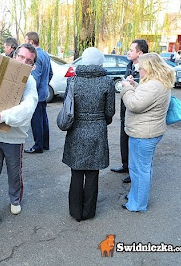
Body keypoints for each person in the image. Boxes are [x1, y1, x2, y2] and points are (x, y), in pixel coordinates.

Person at [0, 43, 38, 233]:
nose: (23, 62)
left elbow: (27, 109)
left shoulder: (29, 82)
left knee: (14, 173)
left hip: (14, 139)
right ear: (13, 55)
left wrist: (1, 117)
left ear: (33, 66)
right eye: (21, 57)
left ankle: (14, 198)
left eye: (29, 61)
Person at [62, 47, 115, 222]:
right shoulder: (107, 81)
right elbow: (110, 111)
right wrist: (102, 121)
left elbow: (68, 107)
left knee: (76, 172)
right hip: (98, 129)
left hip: (76, 129)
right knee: (92, 173)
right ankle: (89, 211)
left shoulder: (73, 81)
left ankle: (75, 212)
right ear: (100, 62)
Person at [121, 53, 175, 212]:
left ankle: (138, 204)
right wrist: (135, 86)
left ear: (150, 68)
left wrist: (127, 88)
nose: (138, 69)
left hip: (144, 134)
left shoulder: (153, 85)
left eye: (141, 66)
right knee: (140, 168)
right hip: (147, 131)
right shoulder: (157, 82)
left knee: (140, 170)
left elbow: (134, 104)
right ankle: (135, 196)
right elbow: (146, 97)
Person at [111, 39, 148, 184]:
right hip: (125, 107)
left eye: (131, 50)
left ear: (140, 53)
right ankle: (125, 165)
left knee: (134, 142)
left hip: (135, 109)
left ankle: (133, 172)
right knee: (123, 138)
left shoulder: (145, 69)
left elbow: (144, 94)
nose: (128, 52)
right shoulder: (129, 65)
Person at [24, 32, 53, 154]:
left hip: (36, 94)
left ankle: (38, 146)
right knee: (43, 120)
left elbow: (35, 78)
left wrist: (32, 91)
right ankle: (45, 144)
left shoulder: (36, 56)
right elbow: (50, 73)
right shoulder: (45, 55)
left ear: (31, 42)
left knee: (36, 121)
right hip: (44, 92)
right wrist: (45, 86)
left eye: (25, 41)